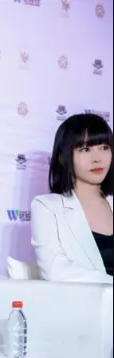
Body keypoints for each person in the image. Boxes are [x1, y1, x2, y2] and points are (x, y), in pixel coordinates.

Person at [31, 113, 113, 283]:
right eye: (85, 149)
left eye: (104, 147)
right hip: (87, 299)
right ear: (63, 158)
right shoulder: (47, 207)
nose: (98, 158)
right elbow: (55, 271)